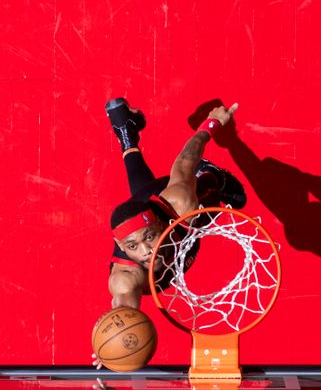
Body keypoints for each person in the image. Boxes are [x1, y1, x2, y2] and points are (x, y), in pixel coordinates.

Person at [103, 98, 244, 310]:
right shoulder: (126, 277)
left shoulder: (179, 202)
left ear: (160, 224)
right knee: (141, 193)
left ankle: (210, 174)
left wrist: (212, 122)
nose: (146, 252)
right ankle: (126, 131)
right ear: (121, 245)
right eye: (132, 246)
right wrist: (123, 332)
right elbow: (124, 304)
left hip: (176, 202)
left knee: (207, 202)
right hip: (147, 202)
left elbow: (186, 159)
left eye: (149, 238)